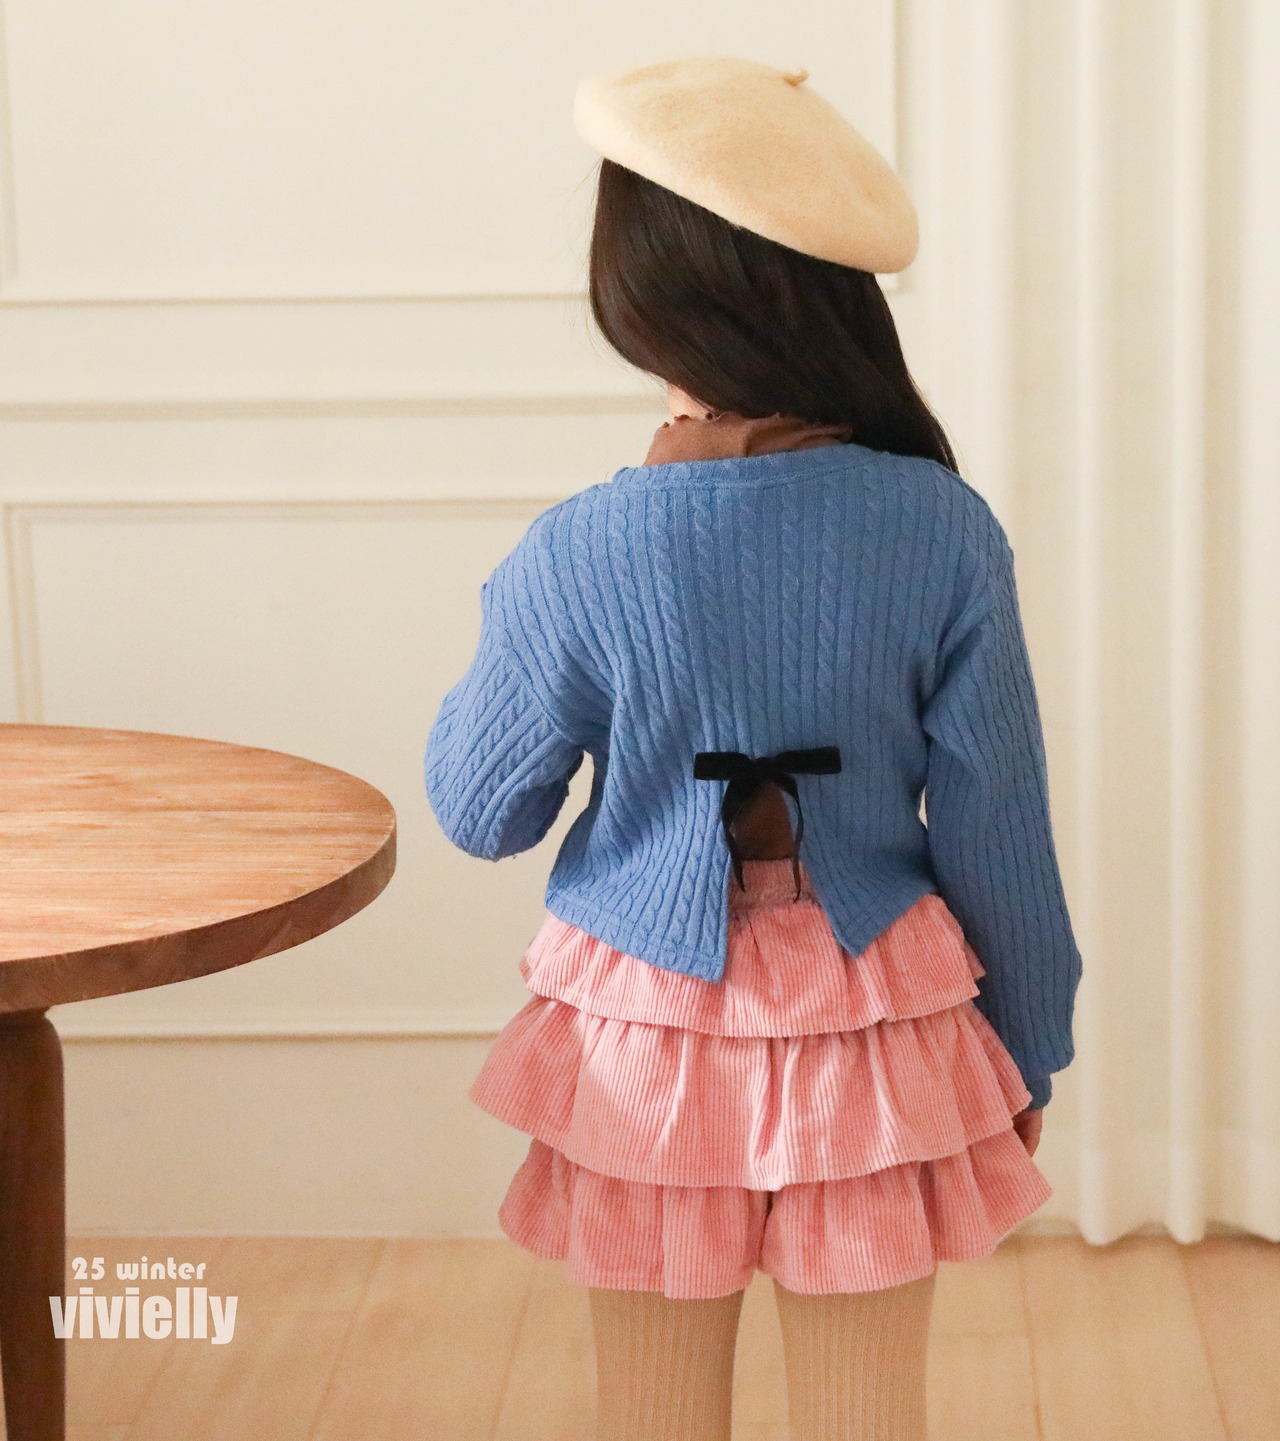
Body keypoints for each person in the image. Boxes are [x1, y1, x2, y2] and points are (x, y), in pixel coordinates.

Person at [424, 55, 1082, 1441]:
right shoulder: (940, 527)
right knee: (867, 1414)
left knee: (652, 1415)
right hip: (880, 1035)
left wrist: (527, 607)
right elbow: (999, 830)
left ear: (644, 298)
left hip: (646, 1039)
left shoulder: (583, 546)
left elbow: (481, 808)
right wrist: (1026, 1047)